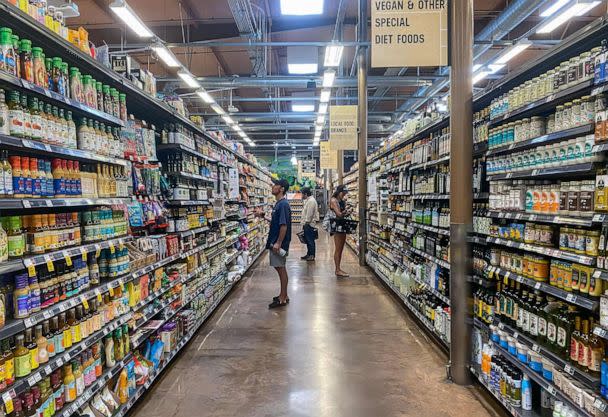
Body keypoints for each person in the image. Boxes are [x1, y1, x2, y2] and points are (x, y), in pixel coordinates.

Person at [257, 178, 292, 309]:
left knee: (281, 269)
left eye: (275, 185)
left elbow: (283, 226)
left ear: (281, 188)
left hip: (278, 244)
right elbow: (276, 223)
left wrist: (278, 243)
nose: (272, 186)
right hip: (275, 242)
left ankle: (282, 298)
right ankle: (284, 295)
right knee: (280, 268)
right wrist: (263, 217)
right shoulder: (278, 204)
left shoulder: (283, 204)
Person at [330, 185, 351, 277]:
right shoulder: (333, 200)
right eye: (343, 193)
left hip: (342, 225)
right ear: (339, 192)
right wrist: (345, 212)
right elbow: (338, 214)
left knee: (341, 248)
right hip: (337, 226)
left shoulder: (341, 201)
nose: (344, 195)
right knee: (338, 249)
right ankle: (337, 270)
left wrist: (347, 212)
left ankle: (338, 268)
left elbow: (342, 213)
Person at [300, 187, 319, 261]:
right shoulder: (308, 200)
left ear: (306, 194)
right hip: (307, 224)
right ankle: (309, 254)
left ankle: (312, 255)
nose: (301, 195)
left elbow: (309, 214)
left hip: (309, 224)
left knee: (310, 240)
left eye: (302, 193)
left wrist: (306, 223)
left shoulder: (311, 201)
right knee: (308, 240)